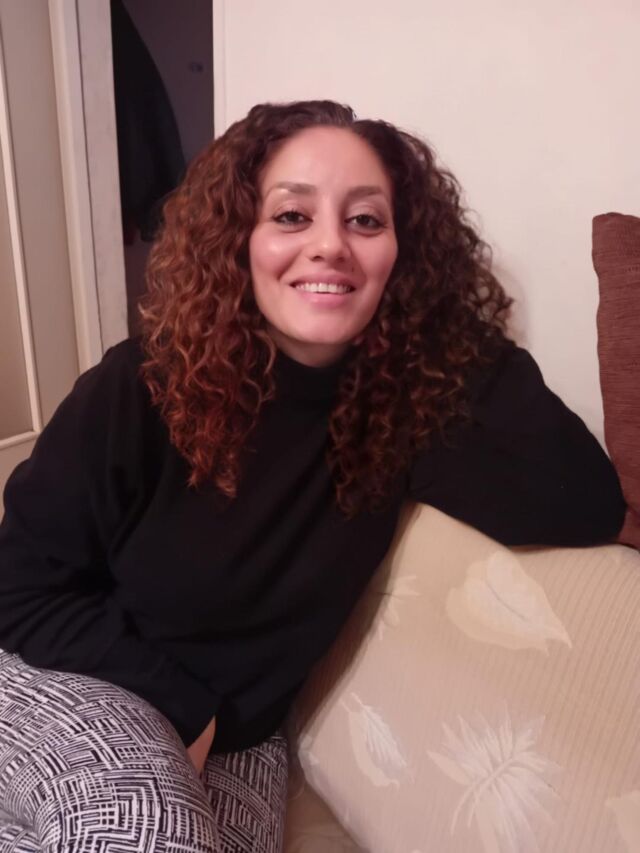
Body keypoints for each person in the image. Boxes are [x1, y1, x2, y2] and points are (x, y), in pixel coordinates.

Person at [0, 100, 626, 852]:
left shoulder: (403, 413)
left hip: (241, 740)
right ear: (239, 240)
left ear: (403, 251)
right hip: (70, 677)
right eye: (292, 216)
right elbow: (18, 587)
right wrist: (182, 708)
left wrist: (442, 318)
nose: (330, 244)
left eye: (366, 221)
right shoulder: (140, 386)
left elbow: (583, 504)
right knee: (151, 829)